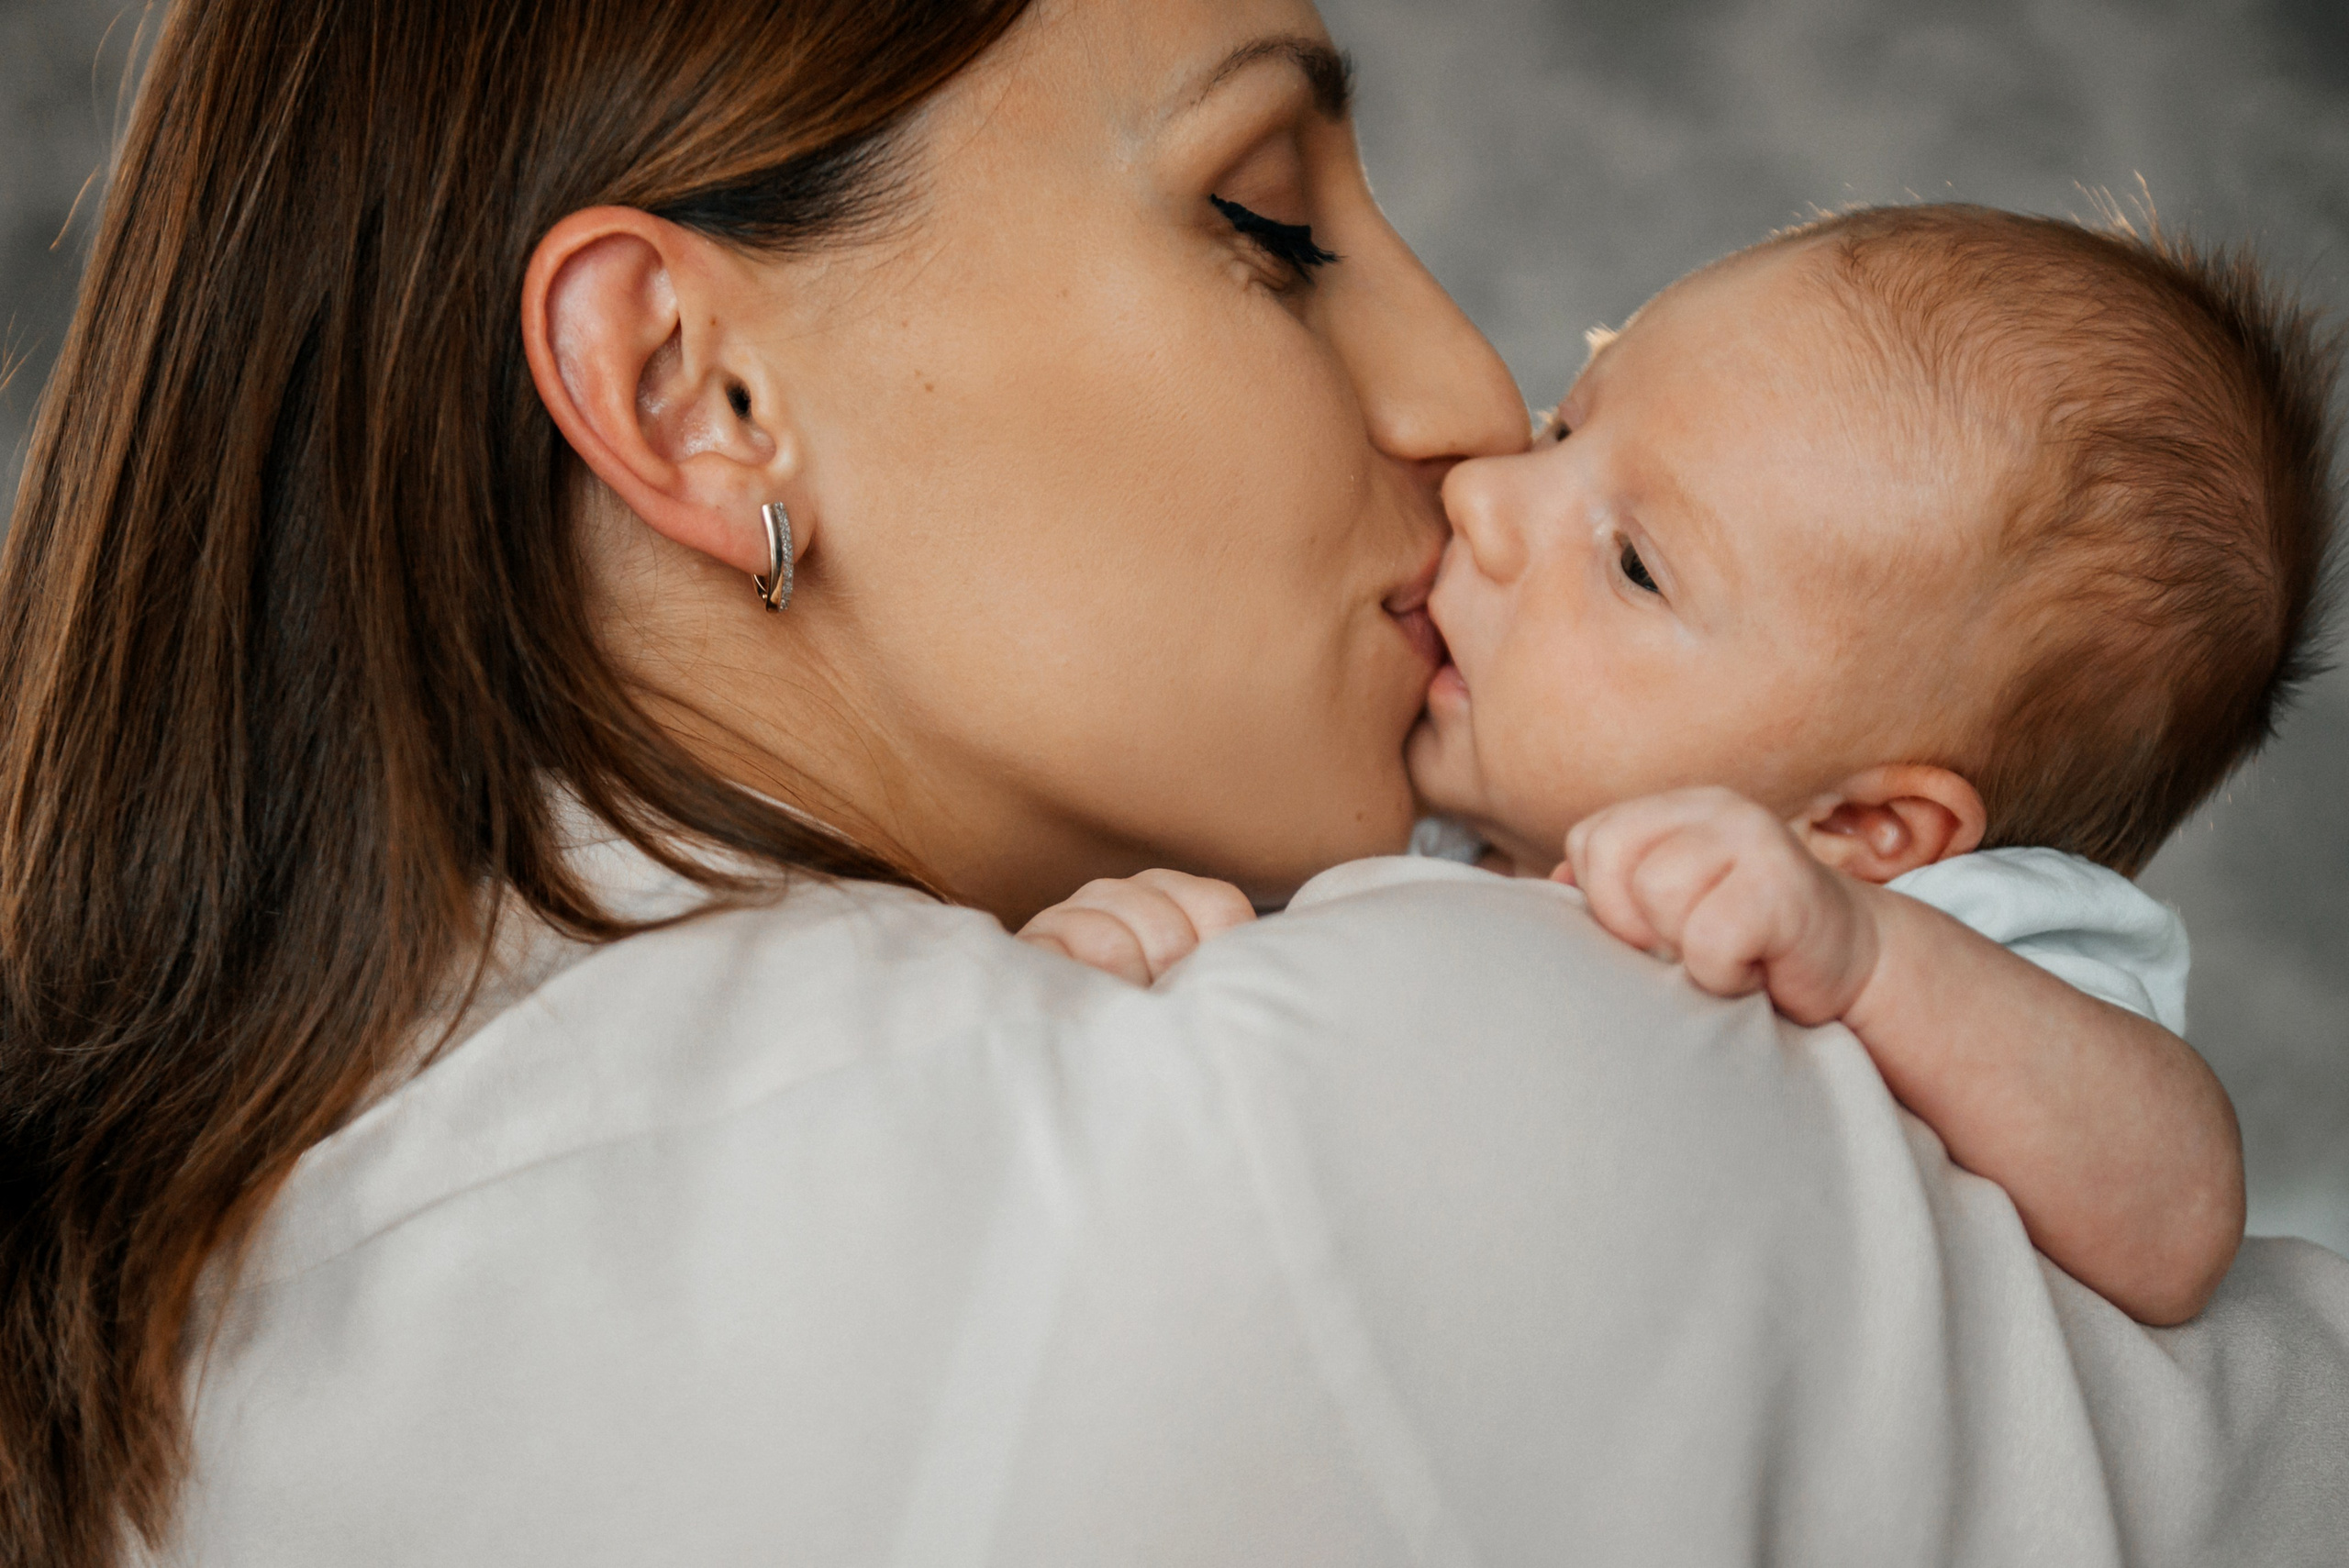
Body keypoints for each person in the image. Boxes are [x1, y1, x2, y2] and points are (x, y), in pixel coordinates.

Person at [4, 4, 2347, 1567]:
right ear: (696, 395)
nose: (1460, 395)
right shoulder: (1364, 1106)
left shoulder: (210, 1296)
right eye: (1266, 226)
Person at [1021, 204, 2344, 1329]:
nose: (1484, 497)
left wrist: (1872, 961)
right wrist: (1162, 947)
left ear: (1870, 826)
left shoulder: (1937, 939)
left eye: (1636, 563)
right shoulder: (1416, 828)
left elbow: (2174, 1221)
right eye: (1559, 429)